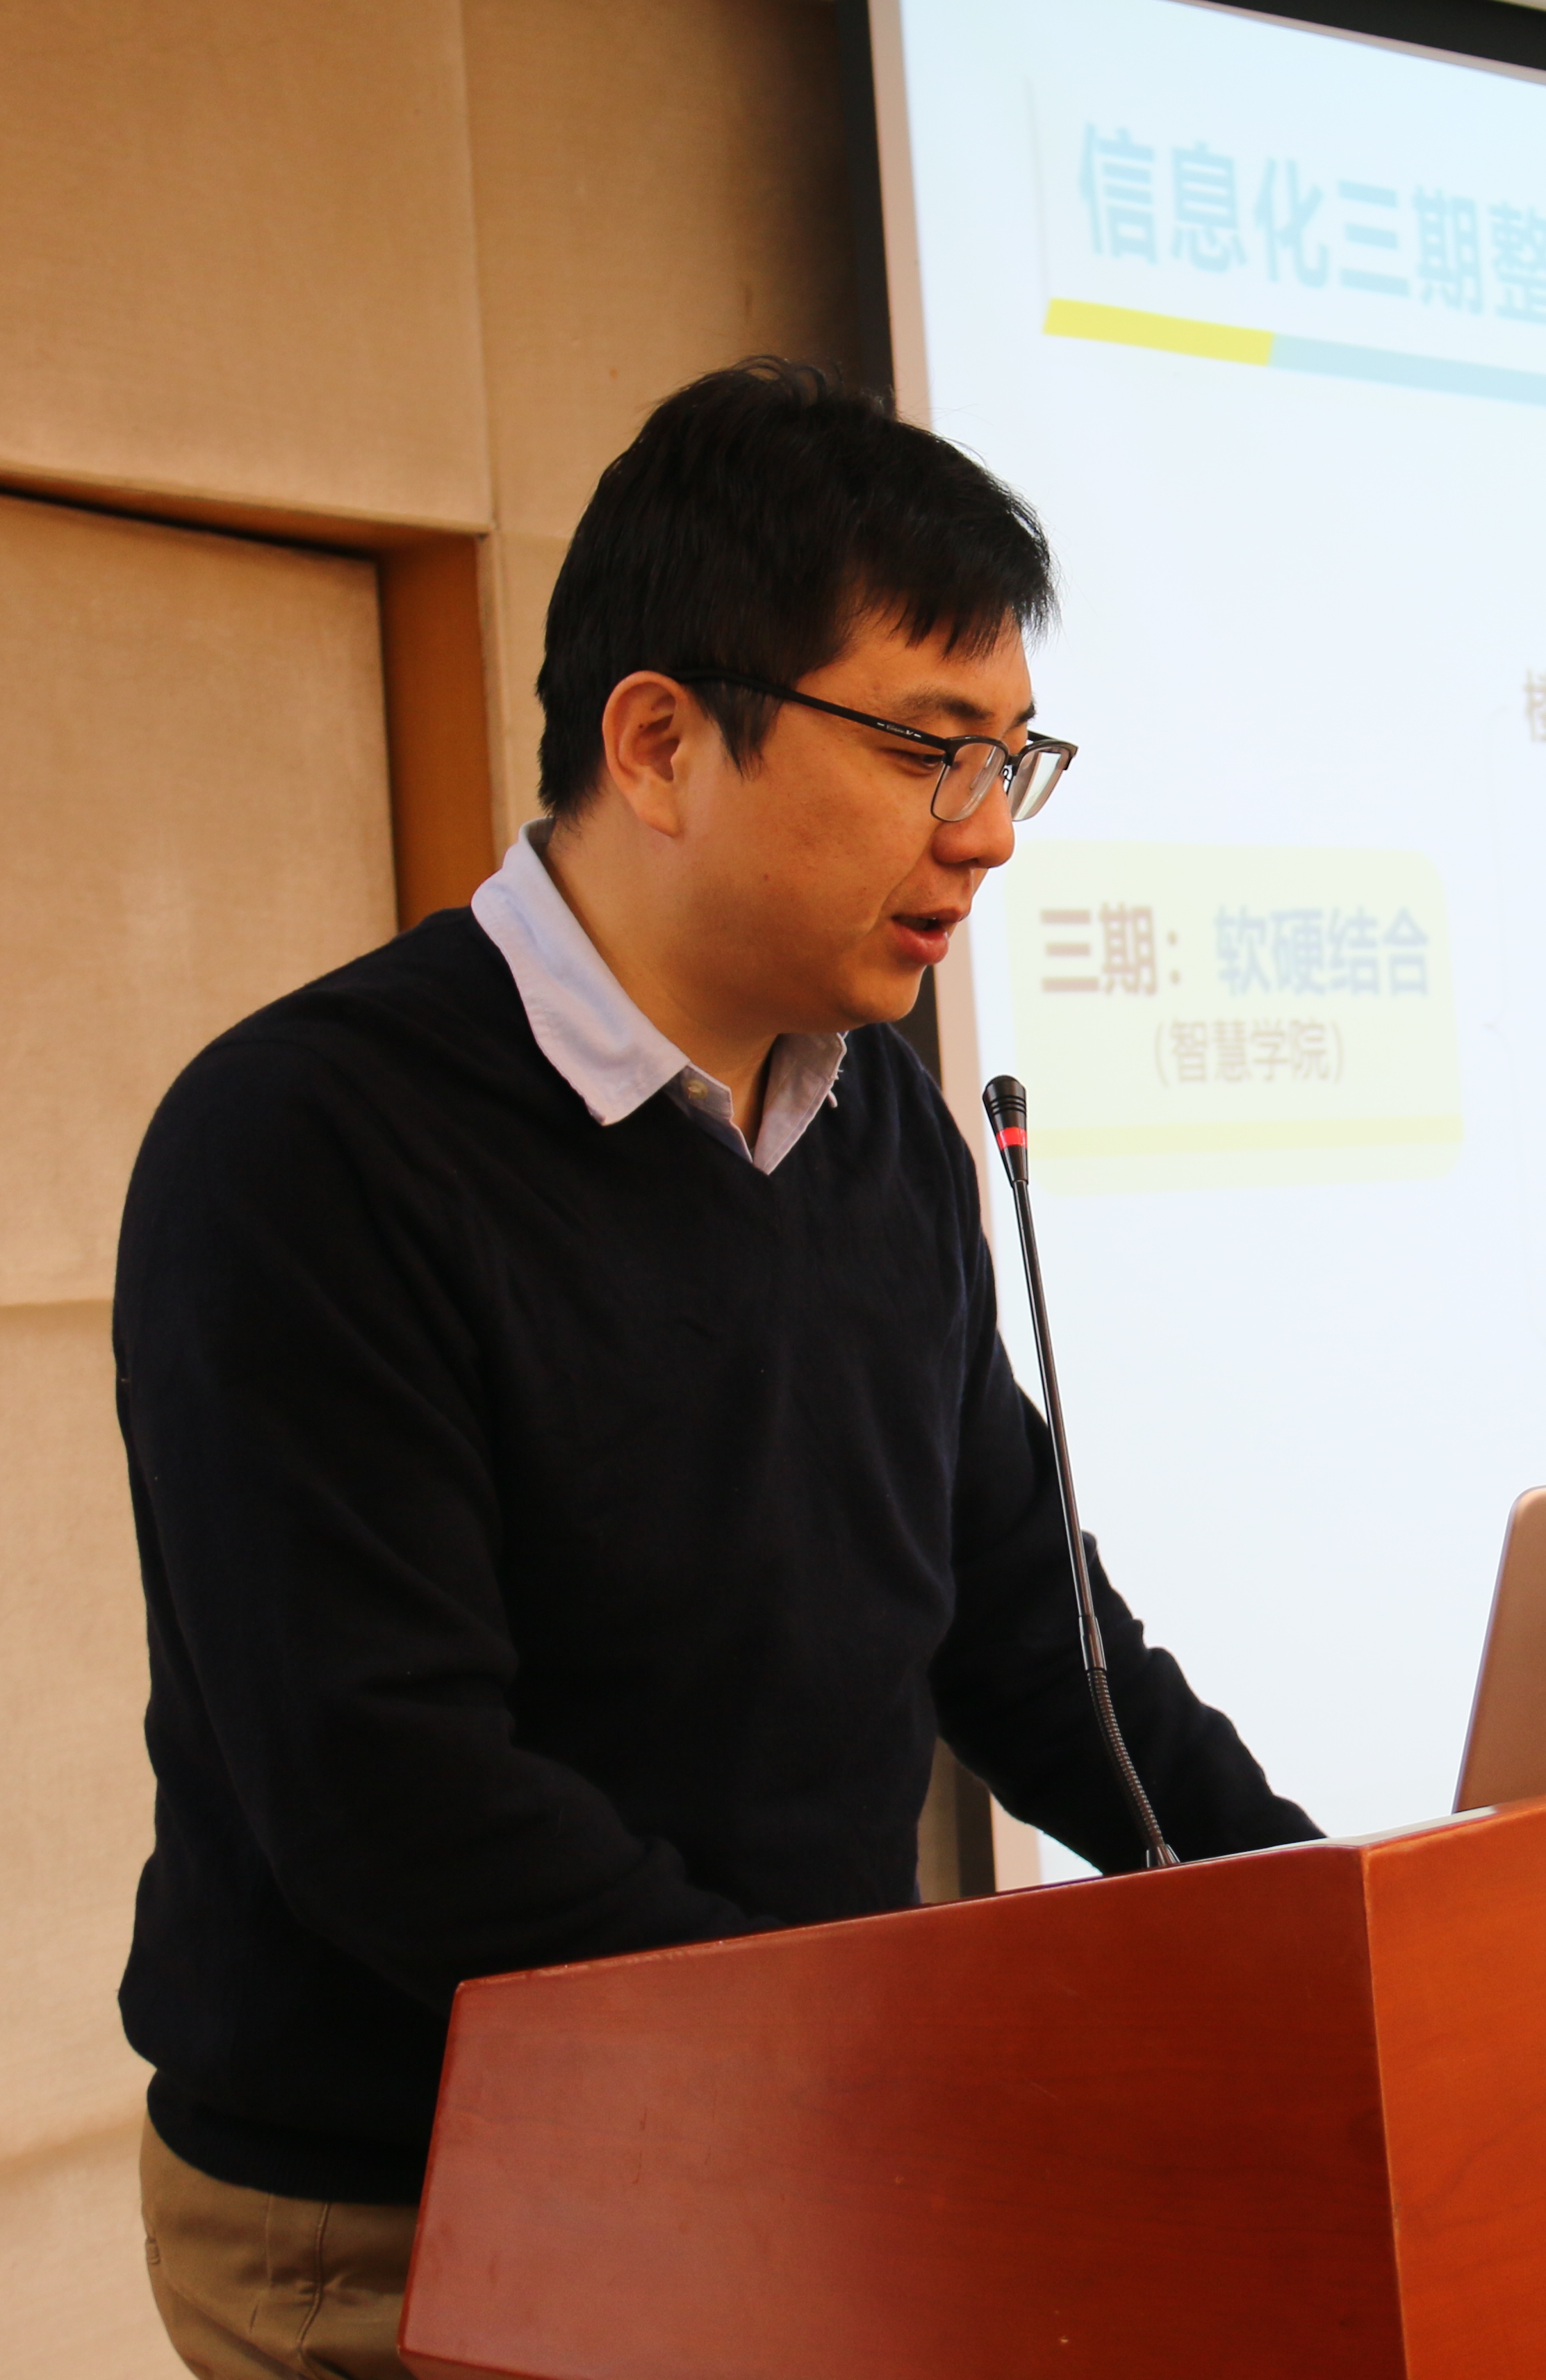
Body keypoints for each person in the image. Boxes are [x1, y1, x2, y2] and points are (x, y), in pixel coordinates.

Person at [110, 358, 1317, 2380]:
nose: (988, 837)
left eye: (1014, 760)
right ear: (660, 743)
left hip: (790, 2136)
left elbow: (1026, 1630)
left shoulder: (880, 1126)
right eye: (929, 750)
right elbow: (394, 1797)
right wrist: (872, 2080)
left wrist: (1313, 1924)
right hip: (418, 2206)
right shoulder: (309, 1144)